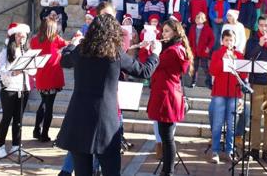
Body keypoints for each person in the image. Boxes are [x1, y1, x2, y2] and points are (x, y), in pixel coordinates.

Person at [56, 14, 161, 176]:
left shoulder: (81, 49)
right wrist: (155, 55)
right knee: (111, 170)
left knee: (82, 171)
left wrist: (73, 44)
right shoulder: (115, 53)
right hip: (105, 120)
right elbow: (144, 71)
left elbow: (64, 60)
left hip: (79, 116)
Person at [147, 20, 193, 176]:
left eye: (166, 31)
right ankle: (166, 169)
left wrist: (150, 50)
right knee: (165, 135)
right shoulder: (170, 49)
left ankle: (168, 171)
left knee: (167, 137)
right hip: (164, 94)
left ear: (175, 32)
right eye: (163, 31)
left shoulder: (174, 51)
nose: (163, 34)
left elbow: (154, 65)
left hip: (168, 97)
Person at [244, 15, 267, 164]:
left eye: (266, 25)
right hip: (257, 83)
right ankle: (254, 149)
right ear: (258, 26)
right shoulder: (253, 40)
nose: (264, 28)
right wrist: (259, 45)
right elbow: (247, 58)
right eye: (261, 25)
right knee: (255, 116)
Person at [0, 22, 34, 158]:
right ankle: (0, 146)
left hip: (24, 88)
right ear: (13, 37)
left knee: (18, 120)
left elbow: (33, 72)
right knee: (7, 118)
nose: (22, 38)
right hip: (9, 89)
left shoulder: (28, 52)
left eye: (24, 36)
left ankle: (16, 146)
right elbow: (1, 72)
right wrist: (14, 72)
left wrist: (29, 67)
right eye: (19, 36)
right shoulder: (5, 52)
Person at [209, 29, 247, 164]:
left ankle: (230, 151)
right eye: (226, 40)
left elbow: (243, 76)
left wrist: (236, 63)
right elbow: (213, 71)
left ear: (234, 41)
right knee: (217, 123)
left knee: (232, 124)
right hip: (219, 92)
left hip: (234, 93)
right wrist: (222, 60)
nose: (228, 43)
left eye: (231, 40)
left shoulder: (239, 55)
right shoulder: (217, 53)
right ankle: (215, 151)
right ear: (222, 41)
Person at [30, 18, 68, 142]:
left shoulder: (34, 40)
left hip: (41, 75)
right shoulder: (55, 38)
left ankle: (36, 130)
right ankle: (44, 134)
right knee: (48, 106)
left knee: (43, 103)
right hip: (52, 76)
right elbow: (68, 44)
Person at [187, 12, 214, 88]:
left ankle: (209, 82)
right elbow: (190, 39)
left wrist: (208, 47)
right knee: (194, 67)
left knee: (205, 67)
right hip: (194, 51)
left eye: (200, 18)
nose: (198, 19)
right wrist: (189, 48)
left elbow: (212, 39)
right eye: (197, 18)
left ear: (204, 20)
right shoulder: (192, 28)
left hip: (203, 51)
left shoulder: (207, 29)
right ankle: (193, 82)